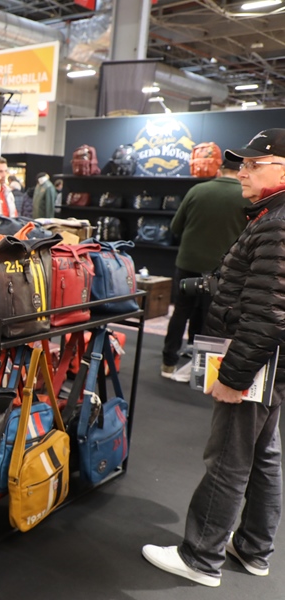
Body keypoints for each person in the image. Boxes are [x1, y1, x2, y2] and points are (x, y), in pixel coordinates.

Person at [142, 129, 285, 587]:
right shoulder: (271, 216)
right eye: (242, 163)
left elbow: (268, 313)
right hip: (270, 364)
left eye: (254, 164)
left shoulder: (277, 222)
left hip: (257, 362)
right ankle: (254, 548)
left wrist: (234, 376)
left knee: (228, 456)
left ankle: (201, 556)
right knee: (262, 454)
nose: (242, 171)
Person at [160, 158, 251, 382]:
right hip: (221, 268)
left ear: (220, 170)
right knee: (212, 316)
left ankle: (168, 363)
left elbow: (175, 227)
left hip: (188, 262)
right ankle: (199, 371)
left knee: (181, 311)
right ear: (240, 171)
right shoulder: (245, 195)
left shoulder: (197, 190)